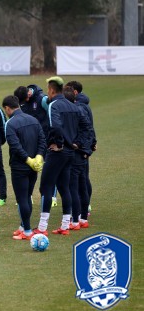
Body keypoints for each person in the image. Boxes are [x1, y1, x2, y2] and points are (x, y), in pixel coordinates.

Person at [34, 77, 92, 236]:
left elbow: (56, 127)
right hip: (71, 154)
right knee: (64, 187)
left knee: (45, 187)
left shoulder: (54, 105)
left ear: (52, 90)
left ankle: (42, 227)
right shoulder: (74, 106)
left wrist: (59, 144)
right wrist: (77, 144)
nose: (47, 93)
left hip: (57, 153)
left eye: (48, 90)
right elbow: (87, 127)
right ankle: (65, 226)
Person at [1, 95, 45, 240]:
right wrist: (38, 157)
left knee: (22, 199)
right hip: (34, 166)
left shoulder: (10, 123)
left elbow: (15, 146)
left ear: (7, 108)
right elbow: (42, 140)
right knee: (27, 196)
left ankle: (27, 231)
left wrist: (28, 159)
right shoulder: (33, 119)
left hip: (20, 166)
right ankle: (22, 226)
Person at [62, 85, 95, 231]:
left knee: (73, 187)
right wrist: (89, 147)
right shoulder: (83, 108)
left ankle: (74, 221)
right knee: (82, 183)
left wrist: (76, 145)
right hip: (83, 152)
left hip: (75, 153)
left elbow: (78, 131)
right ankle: (83, 218)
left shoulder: (71, 112)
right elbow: (89, 129)